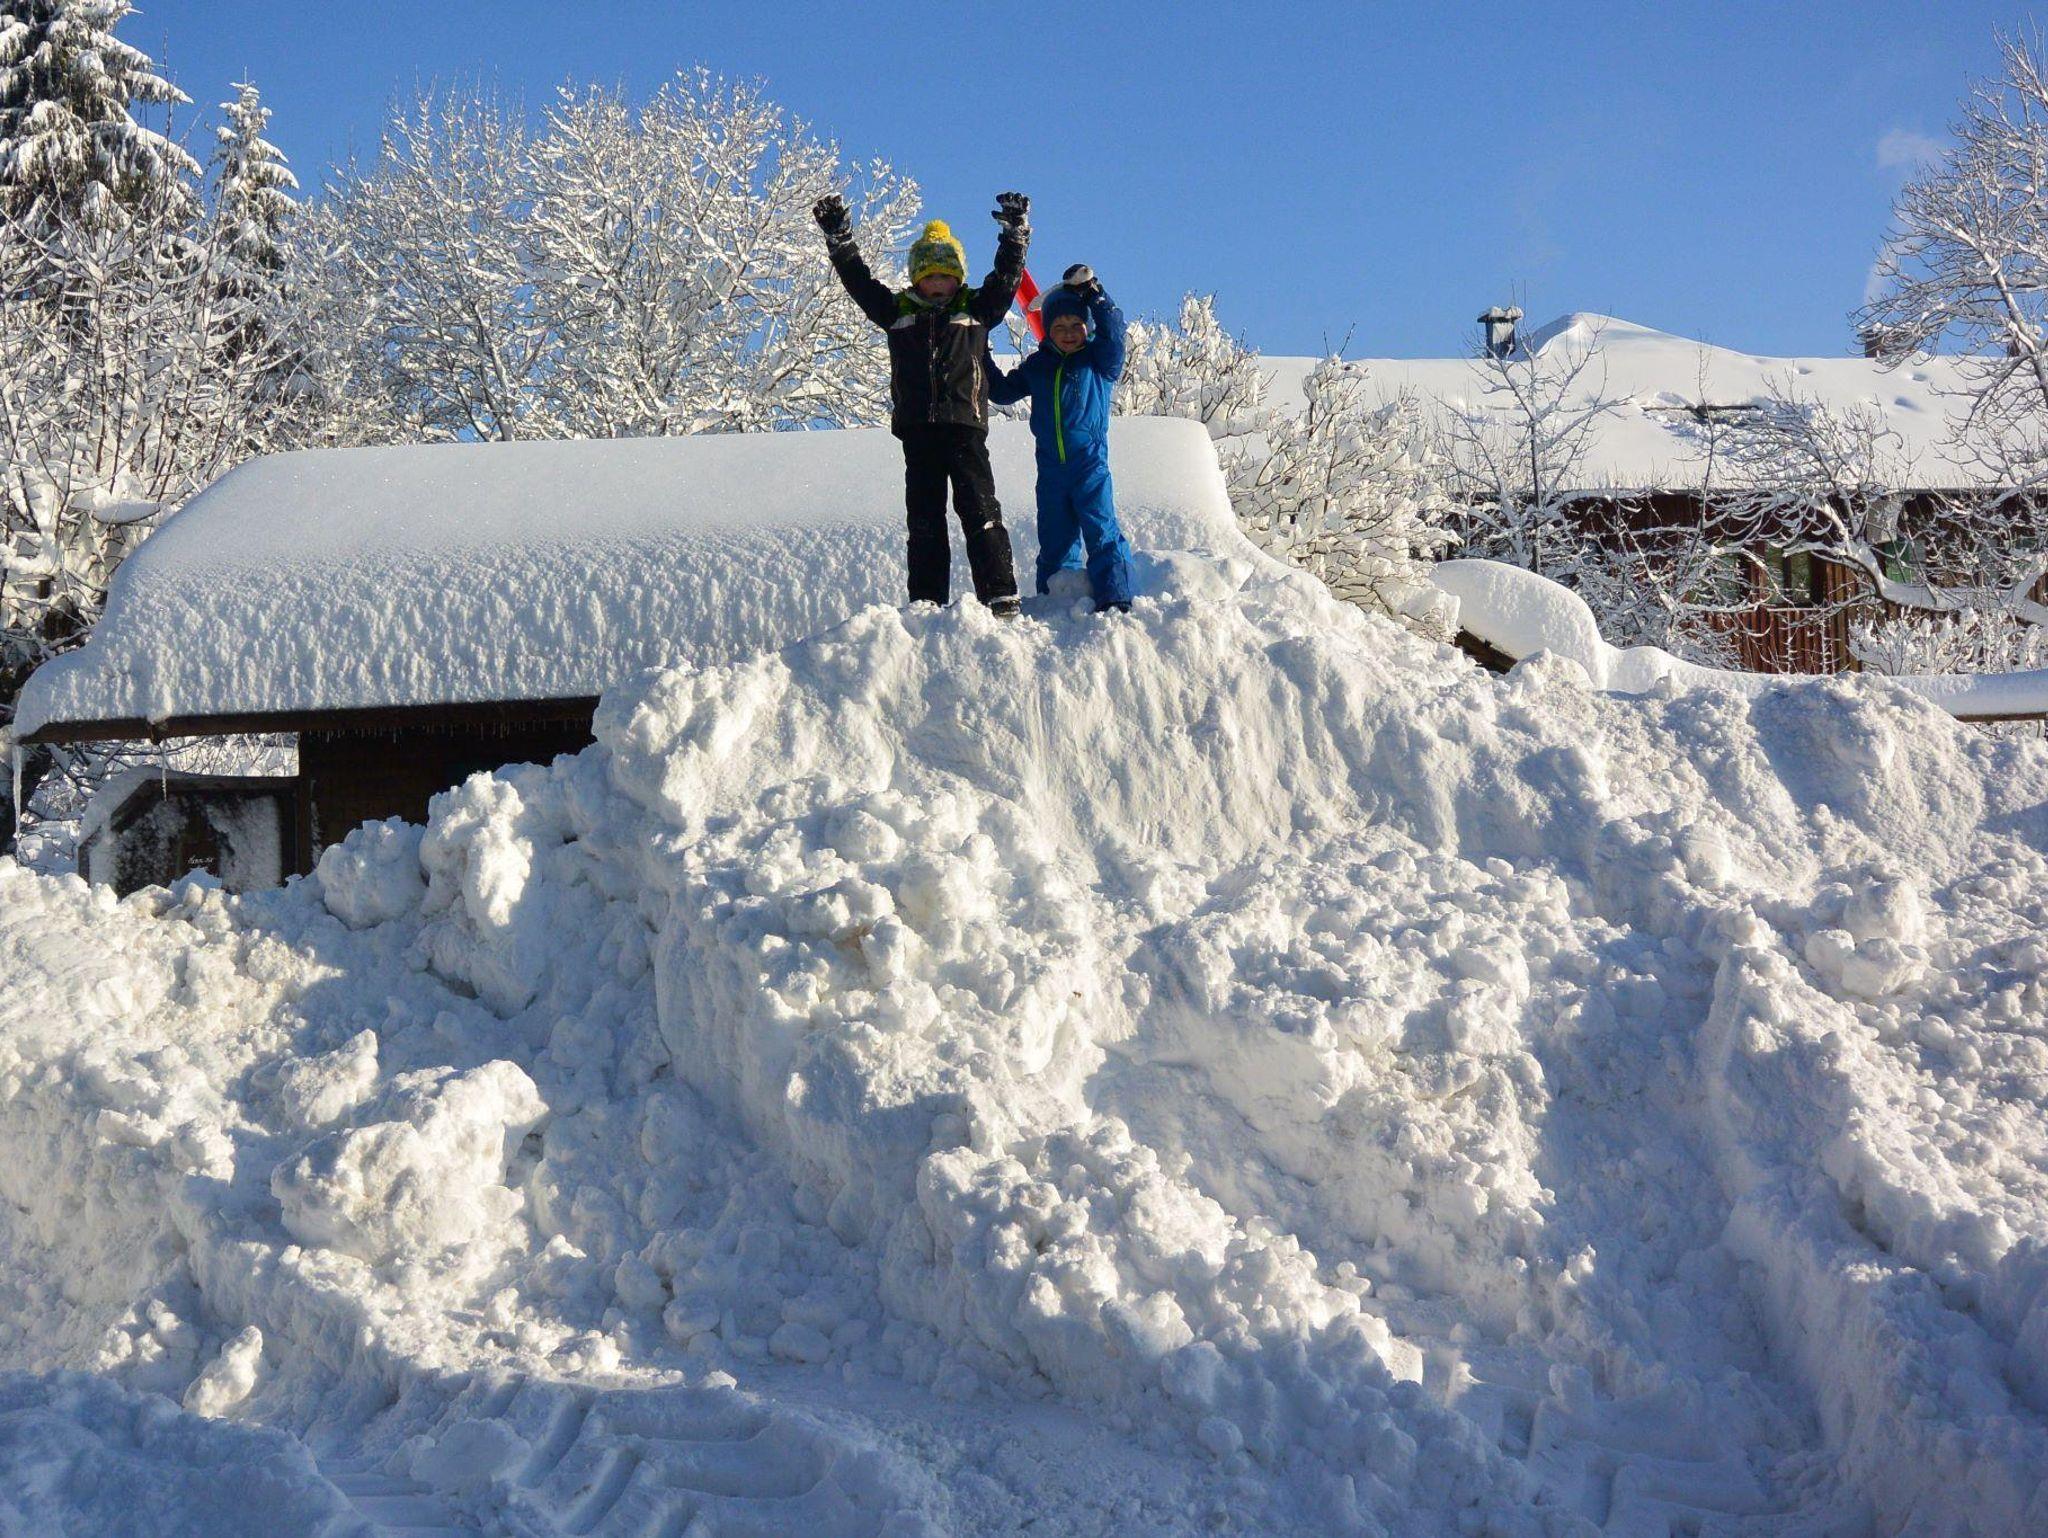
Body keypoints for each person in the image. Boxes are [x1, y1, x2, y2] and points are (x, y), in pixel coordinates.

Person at [812, 191, 1031, 615]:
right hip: (918, 430)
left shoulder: (977, 310)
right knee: (925, 519)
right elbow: (860, 283)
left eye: (946, 276)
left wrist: (1014, 235)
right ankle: (927, 601)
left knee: (980, 509)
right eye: (930, 276)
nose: (938, 284)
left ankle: (999, 592)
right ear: (916, 279)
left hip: (965, 427)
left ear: (958, 278)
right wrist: (840, 240)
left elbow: (1006, 279)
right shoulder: (897, 312)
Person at [985, 265, 1135, 612]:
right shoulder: (1039, 365)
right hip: (1051, 469)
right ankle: (1055, 602)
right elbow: (1002, 392)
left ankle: (1116, 597)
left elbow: (1114, 334)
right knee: (1055, 538)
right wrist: (981, 353)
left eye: (1075, 326)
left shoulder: (1098, 362)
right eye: (1059, 327)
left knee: (1101, 530)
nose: (1068, 333)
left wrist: (1094, 294)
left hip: (1090, 465)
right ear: (1047, 330)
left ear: (1087, 328)